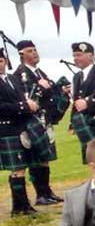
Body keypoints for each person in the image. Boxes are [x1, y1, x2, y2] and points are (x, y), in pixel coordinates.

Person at [13, 40, 67, 205]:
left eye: (35, 50)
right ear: (22, 55)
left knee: (44, 157)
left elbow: (48, 93)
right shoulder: (19, 74)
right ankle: (41, 195)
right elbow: (25, 97)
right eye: (30, 51)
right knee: (36, 158)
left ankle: (46, 192)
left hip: (44, 119)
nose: (35, 53)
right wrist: (39, 87)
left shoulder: (39, 72)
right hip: (32, 121)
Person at [0, 46, 43, 216]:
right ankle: (21, 207)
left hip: (21, 127)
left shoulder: (13, 79)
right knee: (17, 168)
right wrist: (24, 106)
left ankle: (20, 206)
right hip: (7, 129)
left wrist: (29, 104)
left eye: (1, 60)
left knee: (22, 167)